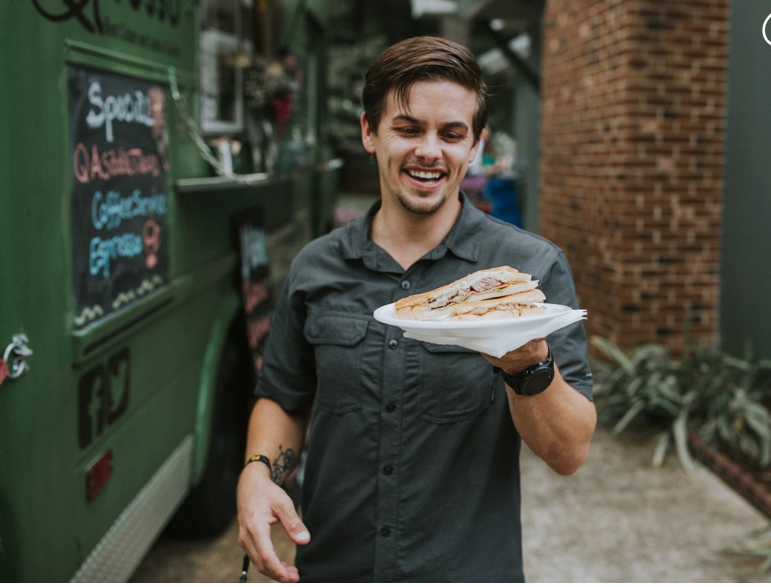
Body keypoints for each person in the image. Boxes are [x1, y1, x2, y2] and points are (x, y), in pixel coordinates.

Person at [236, 36, 596, 582]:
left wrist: (528, 366)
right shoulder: (316, 268)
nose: (430, 150)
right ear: (369, 131)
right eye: (408, 128)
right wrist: (258, 473)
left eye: (452, 134)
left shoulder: (530, 274)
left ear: (476, 145)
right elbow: (284, 397)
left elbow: (569, 451)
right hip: (335, 568)